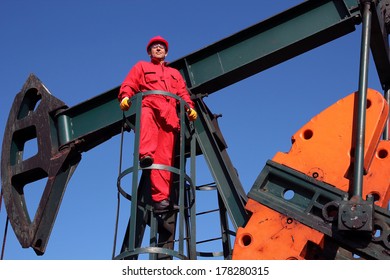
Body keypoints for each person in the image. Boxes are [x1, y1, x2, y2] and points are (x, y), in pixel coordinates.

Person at [118, 35, 198, 212]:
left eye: (161, 46)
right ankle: (145, 155)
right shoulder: (142, 66)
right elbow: (130, 82)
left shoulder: (175, 74)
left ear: (166, 52)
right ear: (149, 52)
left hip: (169, 116)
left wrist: (189, 108)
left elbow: (183, 93)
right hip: (150, 105)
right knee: (146, 128)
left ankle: (161, 199)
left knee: (164, 157)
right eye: (155, 47)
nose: (158, 48)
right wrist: (125, 96)